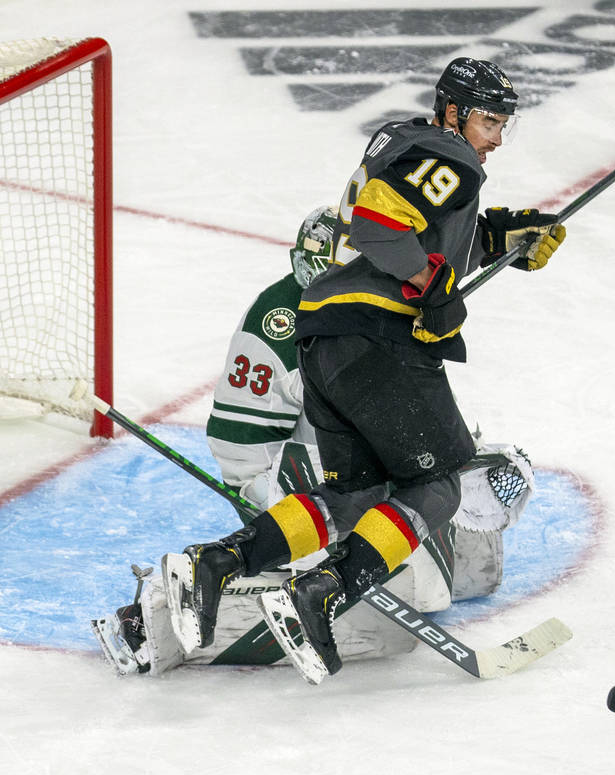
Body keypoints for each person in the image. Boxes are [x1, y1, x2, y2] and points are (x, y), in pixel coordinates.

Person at [160, 56, 566, 684]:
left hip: (324, 339)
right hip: (377, 340)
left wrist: (503, 240)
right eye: (489, 120)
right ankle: (319, 593)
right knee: (438, 485)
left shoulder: (409, 146)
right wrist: (431, 283)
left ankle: (215, 563)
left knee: (352, 496)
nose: (497, 137)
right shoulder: (448, 156)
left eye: (504, 123)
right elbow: (380, 224)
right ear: (454, 112)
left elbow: (412, 224)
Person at [92, 205, 536, 676]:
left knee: (434, 574)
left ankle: (270, 565)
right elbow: (237, 443)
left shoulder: (362, 302)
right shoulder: (285, 324)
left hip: (337, 458)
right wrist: (271, 504)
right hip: (285, 473)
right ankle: (168, 608)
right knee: (406, 554)